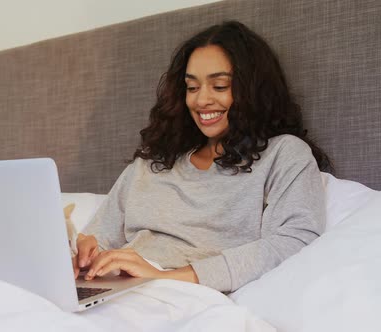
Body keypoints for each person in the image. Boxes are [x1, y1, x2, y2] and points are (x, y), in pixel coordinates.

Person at [72, 21, 332, 293]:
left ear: (253, 89)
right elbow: (100, 237)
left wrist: (165, 277)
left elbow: (293, 241)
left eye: (219, 86)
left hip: (185, 295)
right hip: (118, 290)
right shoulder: (153, 161)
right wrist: (85, 256)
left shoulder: (283, 154)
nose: (201, 100)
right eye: (192, 87)